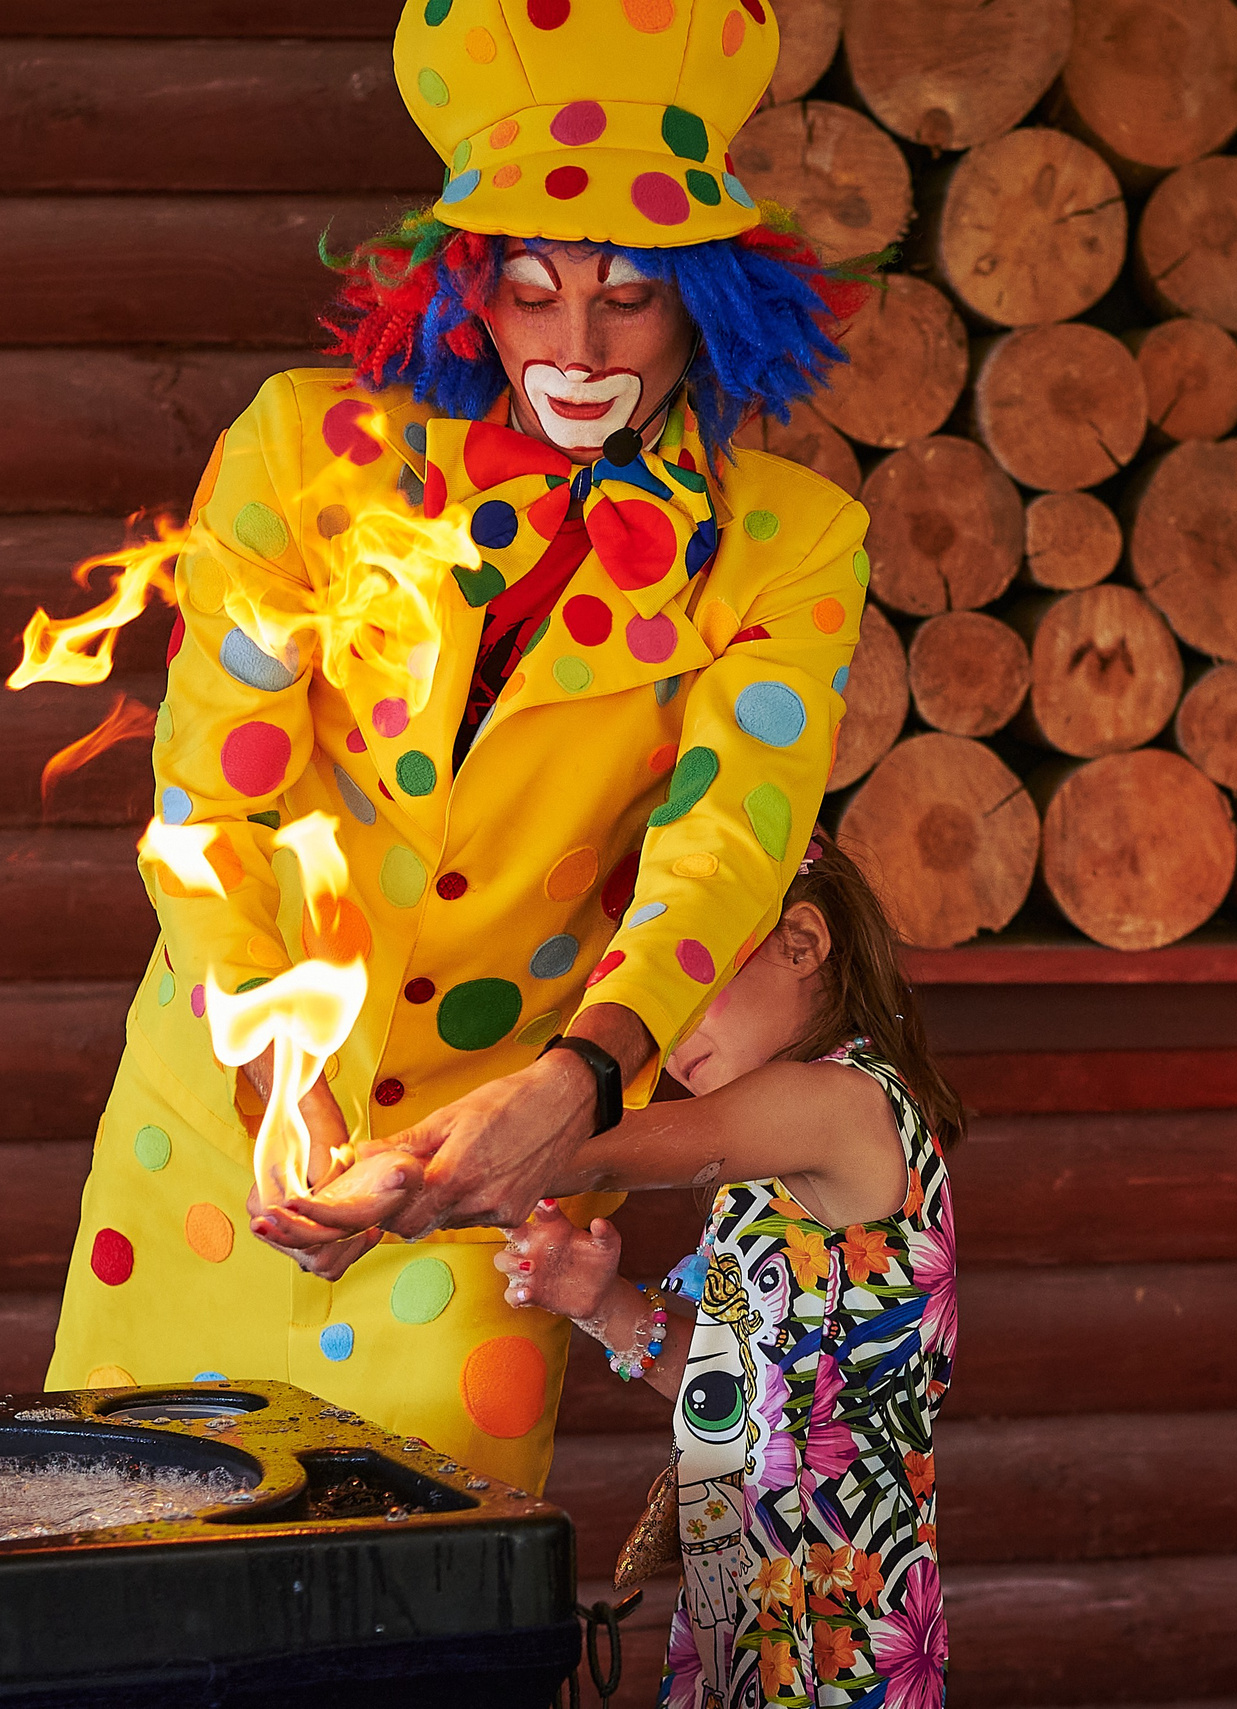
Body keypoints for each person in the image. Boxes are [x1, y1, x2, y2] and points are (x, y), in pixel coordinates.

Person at [44, 0, 877, 1494]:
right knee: (122, 1543)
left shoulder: (789, 545)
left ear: (706, 301)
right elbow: (211, 795)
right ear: (467, 290)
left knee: (419, 1571)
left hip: (492, 1160)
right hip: (213, 1134)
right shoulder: (304, 450)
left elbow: (724, 849)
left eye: (629, 297)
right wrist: (269, 1057)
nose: (575, 348)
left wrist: (579, 1086)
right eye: (531, 291)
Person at [279, 832, 960, 1707]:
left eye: (690, 992)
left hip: (837, 1592)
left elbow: (600, 1150)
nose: (670, 1045)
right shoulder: (779, 1162)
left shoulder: (843, 1100)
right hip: (759, 1575)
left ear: (801, 942)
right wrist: (599, 1300)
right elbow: (743, 1392)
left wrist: (411, 1165)